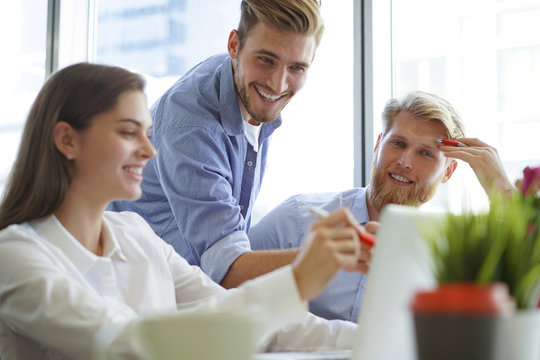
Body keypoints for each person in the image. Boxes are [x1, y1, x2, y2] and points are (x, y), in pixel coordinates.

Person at [0, 63, 368, 360]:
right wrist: (298, 279)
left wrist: (378, 340)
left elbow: (237, 316)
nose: (149, 150)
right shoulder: (14, 256)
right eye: (129, 132)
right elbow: (128, 345)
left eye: (148, 133)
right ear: (67, 139)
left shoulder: (135, 234)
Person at [107, 0, 369, 289]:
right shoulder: (192, 127)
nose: (278, 83)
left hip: (188, 294)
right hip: (133, 296)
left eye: (296, 67)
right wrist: (327, 255)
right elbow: (228, 270)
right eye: (266, 60)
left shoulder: (245, 91)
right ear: (234, 45)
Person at [249, 90, 514, 321]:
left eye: (425, 153)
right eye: (398, 143)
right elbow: (223, 288)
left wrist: (501, 189)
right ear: (378, 144)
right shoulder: (297, 219)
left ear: (449, 171)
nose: (405, 162)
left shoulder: (451, 254)